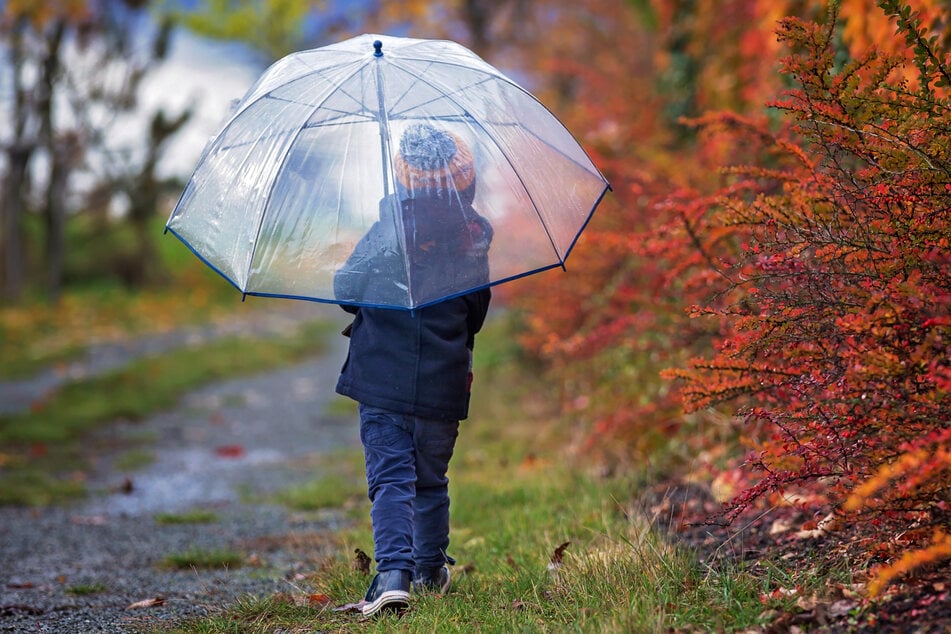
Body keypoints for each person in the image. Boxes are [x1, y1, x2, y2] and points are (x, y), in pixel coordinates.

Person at [333, 123, 493, 617]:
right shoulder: (473, 237)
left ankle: (393, 574)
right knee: (429, 480)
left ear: (402, 181)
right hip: (442, 383)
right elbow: (477, 314)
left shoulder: (387, 231)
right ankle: (428, 569)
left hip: (382, 380)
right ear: (465, 183)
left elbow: (346, 290)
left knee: (391, 479)